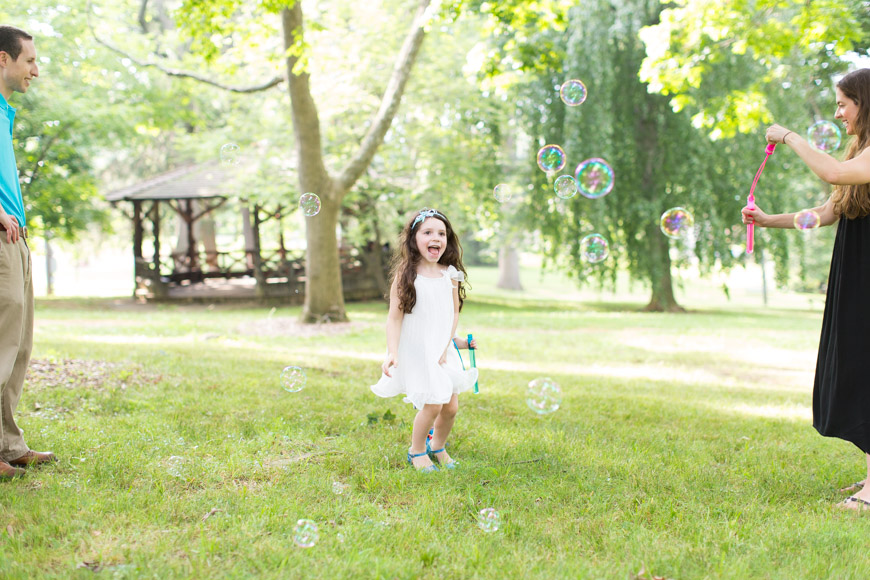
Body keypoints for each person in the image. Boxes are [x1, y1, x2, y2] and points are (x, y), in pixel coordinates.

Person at [741, 68, 870, 510]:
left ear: (864, 103)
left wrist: (791, 136)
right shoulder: (861, 153)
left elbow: (829, 169)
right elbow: (828, 213)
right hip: (856, 273)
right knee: (858, 364)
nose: (838, 113)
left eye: (842, 103)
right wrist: (768, 219)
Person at [371, 208, 478, 472]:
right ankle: (416, 451)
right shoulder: (407, 275)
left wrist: (454, 342)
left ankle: (437, 446)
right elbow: (395, 318)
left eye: (441, 233)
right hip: (419, 349)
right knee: (433, 403)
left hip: (442, 350)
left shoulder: (450, 274)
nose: (436, 238)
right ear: (414, 239)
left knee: (451, 406)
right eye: (428, 232)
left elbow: (451, 312)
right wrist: (392, 352)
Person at [0, 25, 55, 480]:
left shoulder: (4, 112)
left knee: (18, 345)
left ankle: (9, 445)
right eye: (30, 61)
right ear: (4, 60)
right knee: (1, 341)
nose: (35, 70)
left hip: (14, 238)